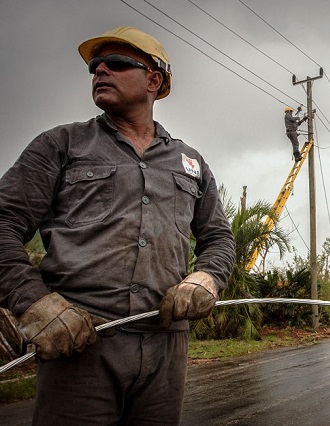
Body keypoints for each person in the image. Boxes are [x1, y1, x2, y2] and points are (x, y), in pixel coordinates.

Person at [0, 26, 235, 424]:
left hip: (166, 350)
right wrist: (33, 302)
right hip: (80, 347)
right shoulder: (61, 145)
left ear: (154, 80)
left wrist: (207, 278)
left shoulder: (190, 162)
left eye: (117, 63)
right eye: (95, 65)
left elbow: (218, 237)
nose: (100, 70)